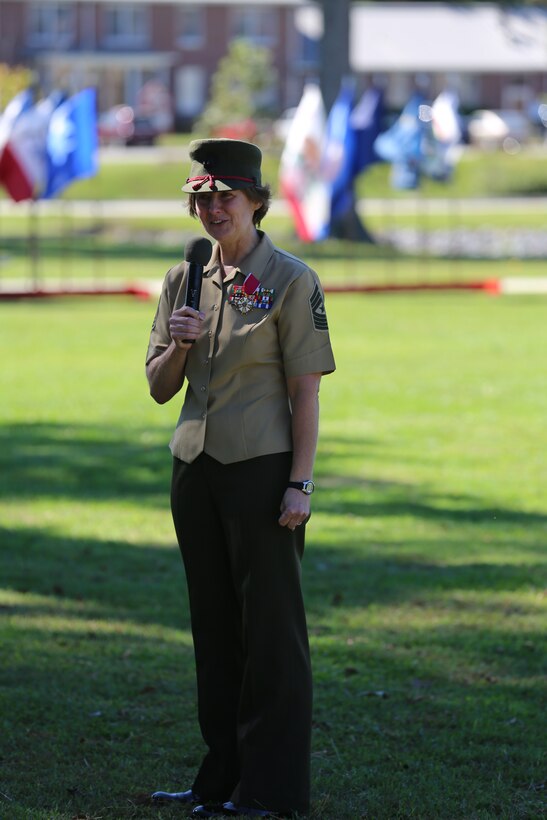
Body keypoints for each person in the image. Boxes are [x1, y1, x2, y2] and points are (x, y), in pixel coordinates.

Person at [146, 138, 335, 819]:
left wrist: (301, 484)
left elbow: (305, 393)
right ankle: (218, 781)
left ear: (256, 201)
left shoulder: (290, 278)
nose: (212, 209)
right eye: (200, 197)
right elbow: (160, 388)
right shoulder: (182, 278)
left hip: (262, 474)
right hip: (195, 470)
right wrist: (179, 343)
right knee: (215, 632)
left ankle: (272, 792)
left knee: (272, 638)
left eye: (225, 196)